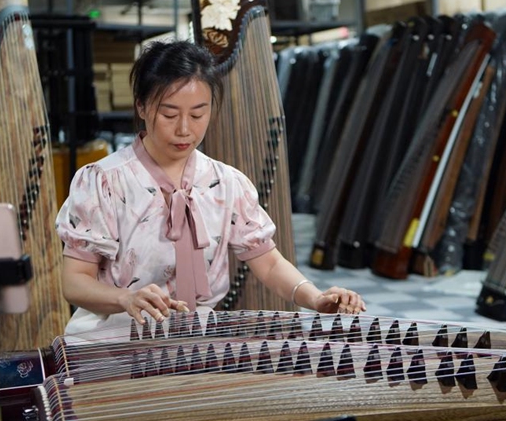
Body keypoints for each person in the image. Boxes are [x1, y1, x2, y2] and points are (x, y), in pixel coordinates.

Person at [56, 40, 365, 334]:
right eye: (169, 114)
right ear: (141, 107)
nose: (184, 129)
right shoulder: (104, 181)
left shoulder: (227, 183)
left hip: (193, 342)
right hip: (110, 341)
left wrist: (315, 298)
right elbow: (74, 281)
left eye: (198, 113)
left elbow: (269, 264)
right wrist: (124, 298)